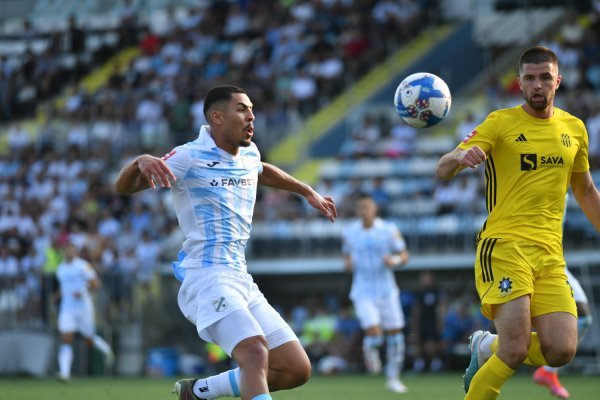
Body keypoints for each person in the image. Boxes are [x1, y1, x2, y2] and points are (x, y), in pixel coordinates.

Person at [115, 85, 337, 400]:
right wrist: (140, 161)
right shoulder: (189, 156)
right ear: (217, 117)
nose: (252, 116)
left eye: (251, 109)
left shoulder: (250, 152)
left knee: (295, 368)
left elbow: (260, 171)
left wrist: (305, 190)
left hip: (240, 277)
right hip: (205, 277)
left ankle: (200, 391)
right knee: (255, 353)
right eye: (242, 109)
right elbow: (122, 188)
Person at [435, 45, 600, 400]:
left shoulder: (575, 128)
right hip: (504, 246)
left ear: (558, 80)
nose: (537, 85)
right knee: (514, 348)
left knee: (562, 349)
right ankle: (497, 352)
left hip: (550, 255)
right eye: (529, 78)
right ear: (519, 83)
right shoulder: (500, 122)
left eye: (545, 77)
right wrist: (460, 155)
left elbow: (586, 190)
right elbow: (442, 169)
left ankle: (486, 346)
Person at [341, 193, 409, 393]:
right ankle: (370, 349)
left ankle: (393, 378)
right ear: (356, 210)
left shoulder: (388, 229)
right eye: (361, 207)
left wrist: (395, 261)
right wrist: (347, 264)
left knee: (395, 334)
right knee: (375, 333)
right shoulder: (349, 232)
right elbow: (346, 253)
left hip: (387, 289)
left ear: (375, 209)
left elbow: (404, 254)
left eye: (368, 207)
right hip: (363, 290)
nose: (365, 211)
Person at [56, 243, 114, 382]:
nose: (69, 252)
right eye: (67, 250)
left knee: (88, 339)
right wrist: (56, 296)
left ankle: (106, 350)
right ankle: (64, 374)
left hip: (83, 307)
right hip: (67, 308)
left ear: (75, 252)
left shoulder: (82, 266)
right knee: (66, 337)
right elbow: (64, 288)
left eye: (71, 250)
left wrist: (82, 292)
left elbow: (96, 284)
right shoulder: (60, 269)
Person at [532, 266, 592, 399]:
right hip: (529, 258)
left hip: (551, 258)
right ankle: (484, 348)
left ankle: (548, 371)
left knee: (583, 316)